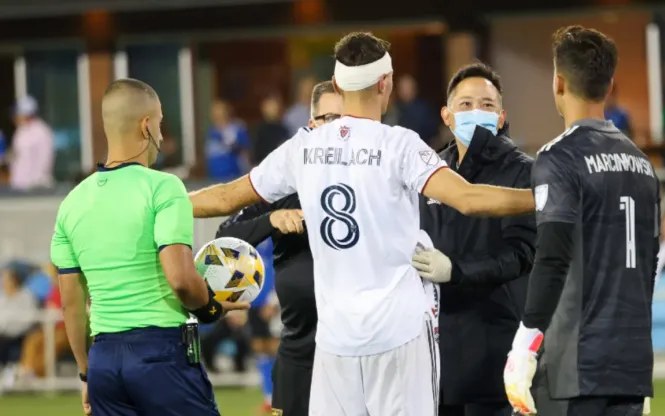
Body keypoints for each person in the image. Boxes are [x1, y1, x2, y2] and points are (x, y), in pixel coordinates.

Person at [188, 32, 535, 415]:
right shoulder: (400, 145)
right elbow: (470, 199)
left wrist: (158, 202)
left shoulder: (302, 148)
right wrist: (545, 197)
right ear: (385, 83)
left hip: (336, 340)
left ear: (337, 84)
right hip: (399, 334)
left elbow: (223, 198)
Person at [49, 78, 248, 416]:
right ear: (146, 126)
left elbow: (71, 304)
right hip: (160, 354)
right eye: (160, 122)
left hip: (104, 361)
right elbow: (182, 279)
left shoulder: (71, 203)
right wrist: (211, 309)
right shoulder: (163, 187)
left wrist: (87, 373)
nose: (160, 131)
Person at [503, 26, 659, 416]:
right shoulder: (642, 164)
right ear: (608, 86)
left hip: (575, 364)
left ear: (558, 83)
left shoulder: (559, 157)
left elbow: (553, 256)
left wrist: (525, 342)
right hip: (631, 362)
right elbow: (649, 264)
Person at [414, 63, 536, 416]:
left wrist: (457, 270)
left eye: (486, 105)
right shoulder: (430, 171)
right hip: (435, 350)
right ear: (447, 116)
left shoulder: (522, 171)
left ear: (501, 117)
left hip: (495, 341)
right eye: (465, 105)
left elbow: (520, 255)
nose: (475, 112)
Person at [216, 80, 342, 416]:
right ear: (311, 123)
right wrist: (272, 220)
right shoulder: (284, 182)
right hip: (299, 353)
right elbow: (226, 236)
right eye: (326, 118)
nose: (333, 127)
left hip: (357, 352)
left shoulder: (378, 183)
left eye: (341, 119)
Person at [9, 96, 55, 191]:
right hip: (18, 186)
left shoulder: (41, 131)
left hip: (36, 187)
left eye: (17, 114)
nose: (15, 118)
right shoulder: (20, 131)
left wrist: (37, 183)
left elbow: (46, 159)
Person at [206, 99, 251, 181]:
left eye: (220, 111)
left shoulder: (237, 128)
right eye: (214, 113)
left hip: (234, 177)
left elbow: (245, 152)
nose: (217, 115)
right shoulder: (211, 132)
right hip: (214, 179)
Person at [253, 93, 290, 165]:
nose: (274, 109)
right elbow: (257, 155)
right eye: (270, 106)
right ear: (263, 108)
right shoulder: (259, 130)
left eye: (275, 106)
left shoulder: (284, 129)